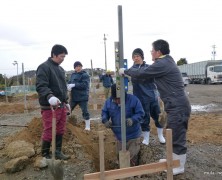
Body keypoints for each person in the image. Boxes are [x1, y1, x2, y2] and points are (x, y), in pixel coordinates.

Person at [119, 39, 191, 175]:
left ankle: (179, 166)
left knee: (177, 135)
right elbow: (143, 76)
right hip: (174, 105)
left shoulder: (162, 63)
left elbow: (142, 73)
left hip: (178, 106)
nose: (151, 52)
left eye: (152, 50)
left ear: (158, 52)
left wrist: (126, 71)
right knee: (171, 132)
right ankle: (172, 160)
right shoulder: (165, 62)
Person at [36, 44, 70, 160]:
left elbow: (63, 87)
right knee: (50, 129)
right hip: (49, 106)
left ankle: (57, 151)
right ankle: (45, 154)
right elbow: (41, 86)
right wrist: (49, 96)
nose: (62, 59)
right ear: (54, 55)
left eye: (64, 57)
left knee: (60, 128)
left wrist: (66, 101)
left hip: (61, 105)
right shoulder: (44, 67)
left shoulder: (61, 70)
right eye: (61, 56)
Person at [102, 84, 145, 166]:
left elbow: (140, 113)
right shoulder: (108, 102)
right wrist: (105, 120)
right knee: (120, 158)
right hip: (119, 137)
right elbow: (104, 112)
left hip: (133, 136)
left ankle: (132, 174)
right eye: (116, 99)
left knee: (131, 159)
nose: (118, 101)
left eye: (120, 99)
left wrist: (132, 120)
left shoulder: (133, 100)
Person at [130, 48, 165, 145]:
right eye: (134, 57)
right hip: (140, 98)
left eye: (137, 56)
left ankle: (160, 135)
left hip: (152, 97)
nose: (135, 58)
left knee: (158, 115)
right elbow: (133, 72)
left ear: (142, 57)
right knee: (144, 118)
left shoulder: (149, 67)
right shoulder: (132, 69)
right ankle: (146, 138)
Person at [67, 61, 91, 130]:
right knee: (68, 110)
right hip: (74, 97)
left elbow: (85, 85)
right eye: (76, 66)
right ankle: (66, 124)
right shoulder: (73, 75)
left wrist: (74, 85)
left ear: (81, 67)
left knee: (85, 111)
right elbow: (70, 82)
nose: (78, 68)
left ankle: (87, 126)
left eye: (79, 66)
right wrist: (68, 86)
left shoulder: (84, 75)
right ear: (74, 68)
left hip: (82, 97)